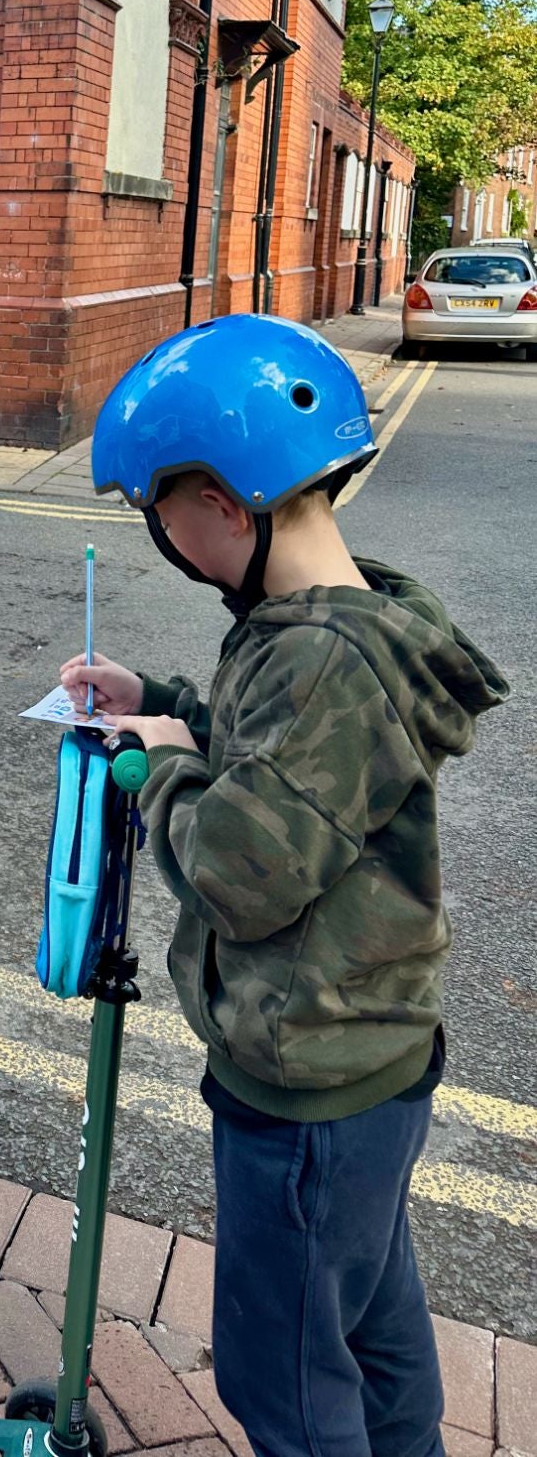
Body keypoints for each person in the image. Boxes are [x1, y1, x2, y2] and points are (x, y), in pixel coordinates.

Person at [60, 316, 507, 1456]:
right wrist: (160, 697)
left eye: (157, 510)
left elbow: (241, 870)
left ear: (218, 499)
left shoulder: (319, 661)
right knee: (371, 1324)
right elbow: (291, 777)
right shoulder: (324, 629)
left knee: (288, 1383)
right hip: (369, 1065)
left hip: (308, 1087)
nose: (161, 535)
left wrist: (155, 761)